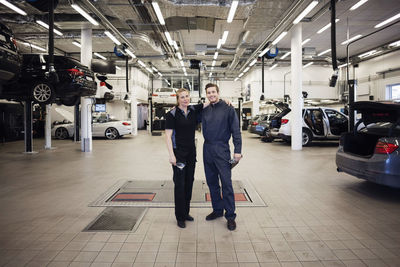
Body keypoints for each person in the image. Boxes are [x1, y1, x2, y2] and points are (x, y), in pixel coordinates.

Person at [202, 83, 242, 231]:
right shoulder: (204, 110)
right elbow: (188, 110)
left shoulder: (228, 108)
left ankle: (230, 216)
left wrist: (237, 151)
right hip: (207, 149)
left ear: (218, 92)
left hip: (222, 149)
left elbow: (236, 131)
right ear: (206, 94)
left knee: (226, 184)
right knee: (212, 183)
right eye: (208, 93)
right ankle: (217, 210)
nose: (211, 94)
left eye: (213, 92)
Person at [165, 88, 204, 228]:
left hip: (191, 152)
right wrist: (171, 155)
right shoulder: (172, 114)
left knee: (189, 182)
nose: (185, 99)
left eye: (187, 96)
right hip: (179, 153)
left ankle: (186, 212)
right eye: (182, 97)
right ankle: (180, 216)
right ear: (177, 99)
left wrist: (226, 101)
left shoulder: (193, 110)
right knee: (180, 185)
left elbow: (209, 103)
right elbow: (168, 136)